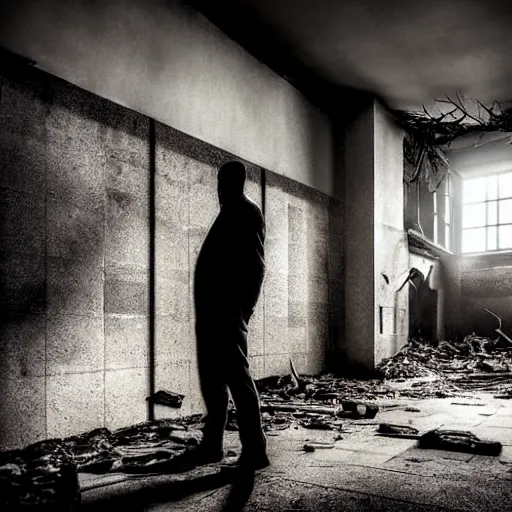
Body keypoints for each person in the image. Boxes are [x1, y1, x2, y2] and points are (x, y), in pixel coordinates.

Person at [175, 160, 268, 472]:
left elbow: (256, 267)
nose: (219, 189)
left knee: (237, 379)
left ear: (236, 183)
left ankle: (254, 450)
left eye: (223, 183)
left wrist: (241, 312)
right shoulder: (230, 212)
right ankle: (212, 445)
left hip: (226, 314)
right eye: (219, 182)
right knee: (213, 381)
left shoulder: (246, 212)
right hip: (213, 314)